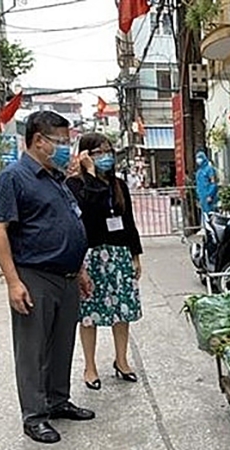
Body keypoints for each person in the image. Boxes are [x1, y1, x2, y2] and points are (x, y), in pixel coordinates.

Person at [0, 111, 95, 444]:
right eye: (61, 142)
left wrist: (79, 270)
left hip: (65, 277)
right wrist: (13, 281)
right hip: (35, 275)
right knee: (33, 349)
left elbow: (69, 223)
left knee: (62, 344)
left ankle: (57, 400)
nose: (67, 149)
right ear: (39, 141)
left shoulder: (55, 177)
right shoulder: (14, 178)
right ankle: (34, 415)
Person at [66, 133, 143, 391]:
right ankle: (90, 366)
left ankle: (122, 360)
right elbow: (87, 209)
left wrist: (135, 256)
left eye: (108, 151)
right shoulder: (76, 185)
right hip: (91, 256)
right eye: (99, 152)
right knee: (89, 314)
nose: (106, 156)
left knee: (122, 312)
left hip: (119, 254)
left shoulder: (119, 185)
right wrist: (88, 173)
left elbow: (129, 223)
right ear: (86, 154)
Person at [195, 151, 218, 216]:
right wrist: (198, 197)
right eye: (197, 158)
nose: (198, 160)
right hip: (202, 196)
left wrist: (210, 195)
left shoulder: (209, 169)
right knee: (204, 215)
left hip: (208, 196)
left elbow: (213, 183)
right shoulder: (199, 171)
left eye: (200, 158)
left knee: (210, 214)